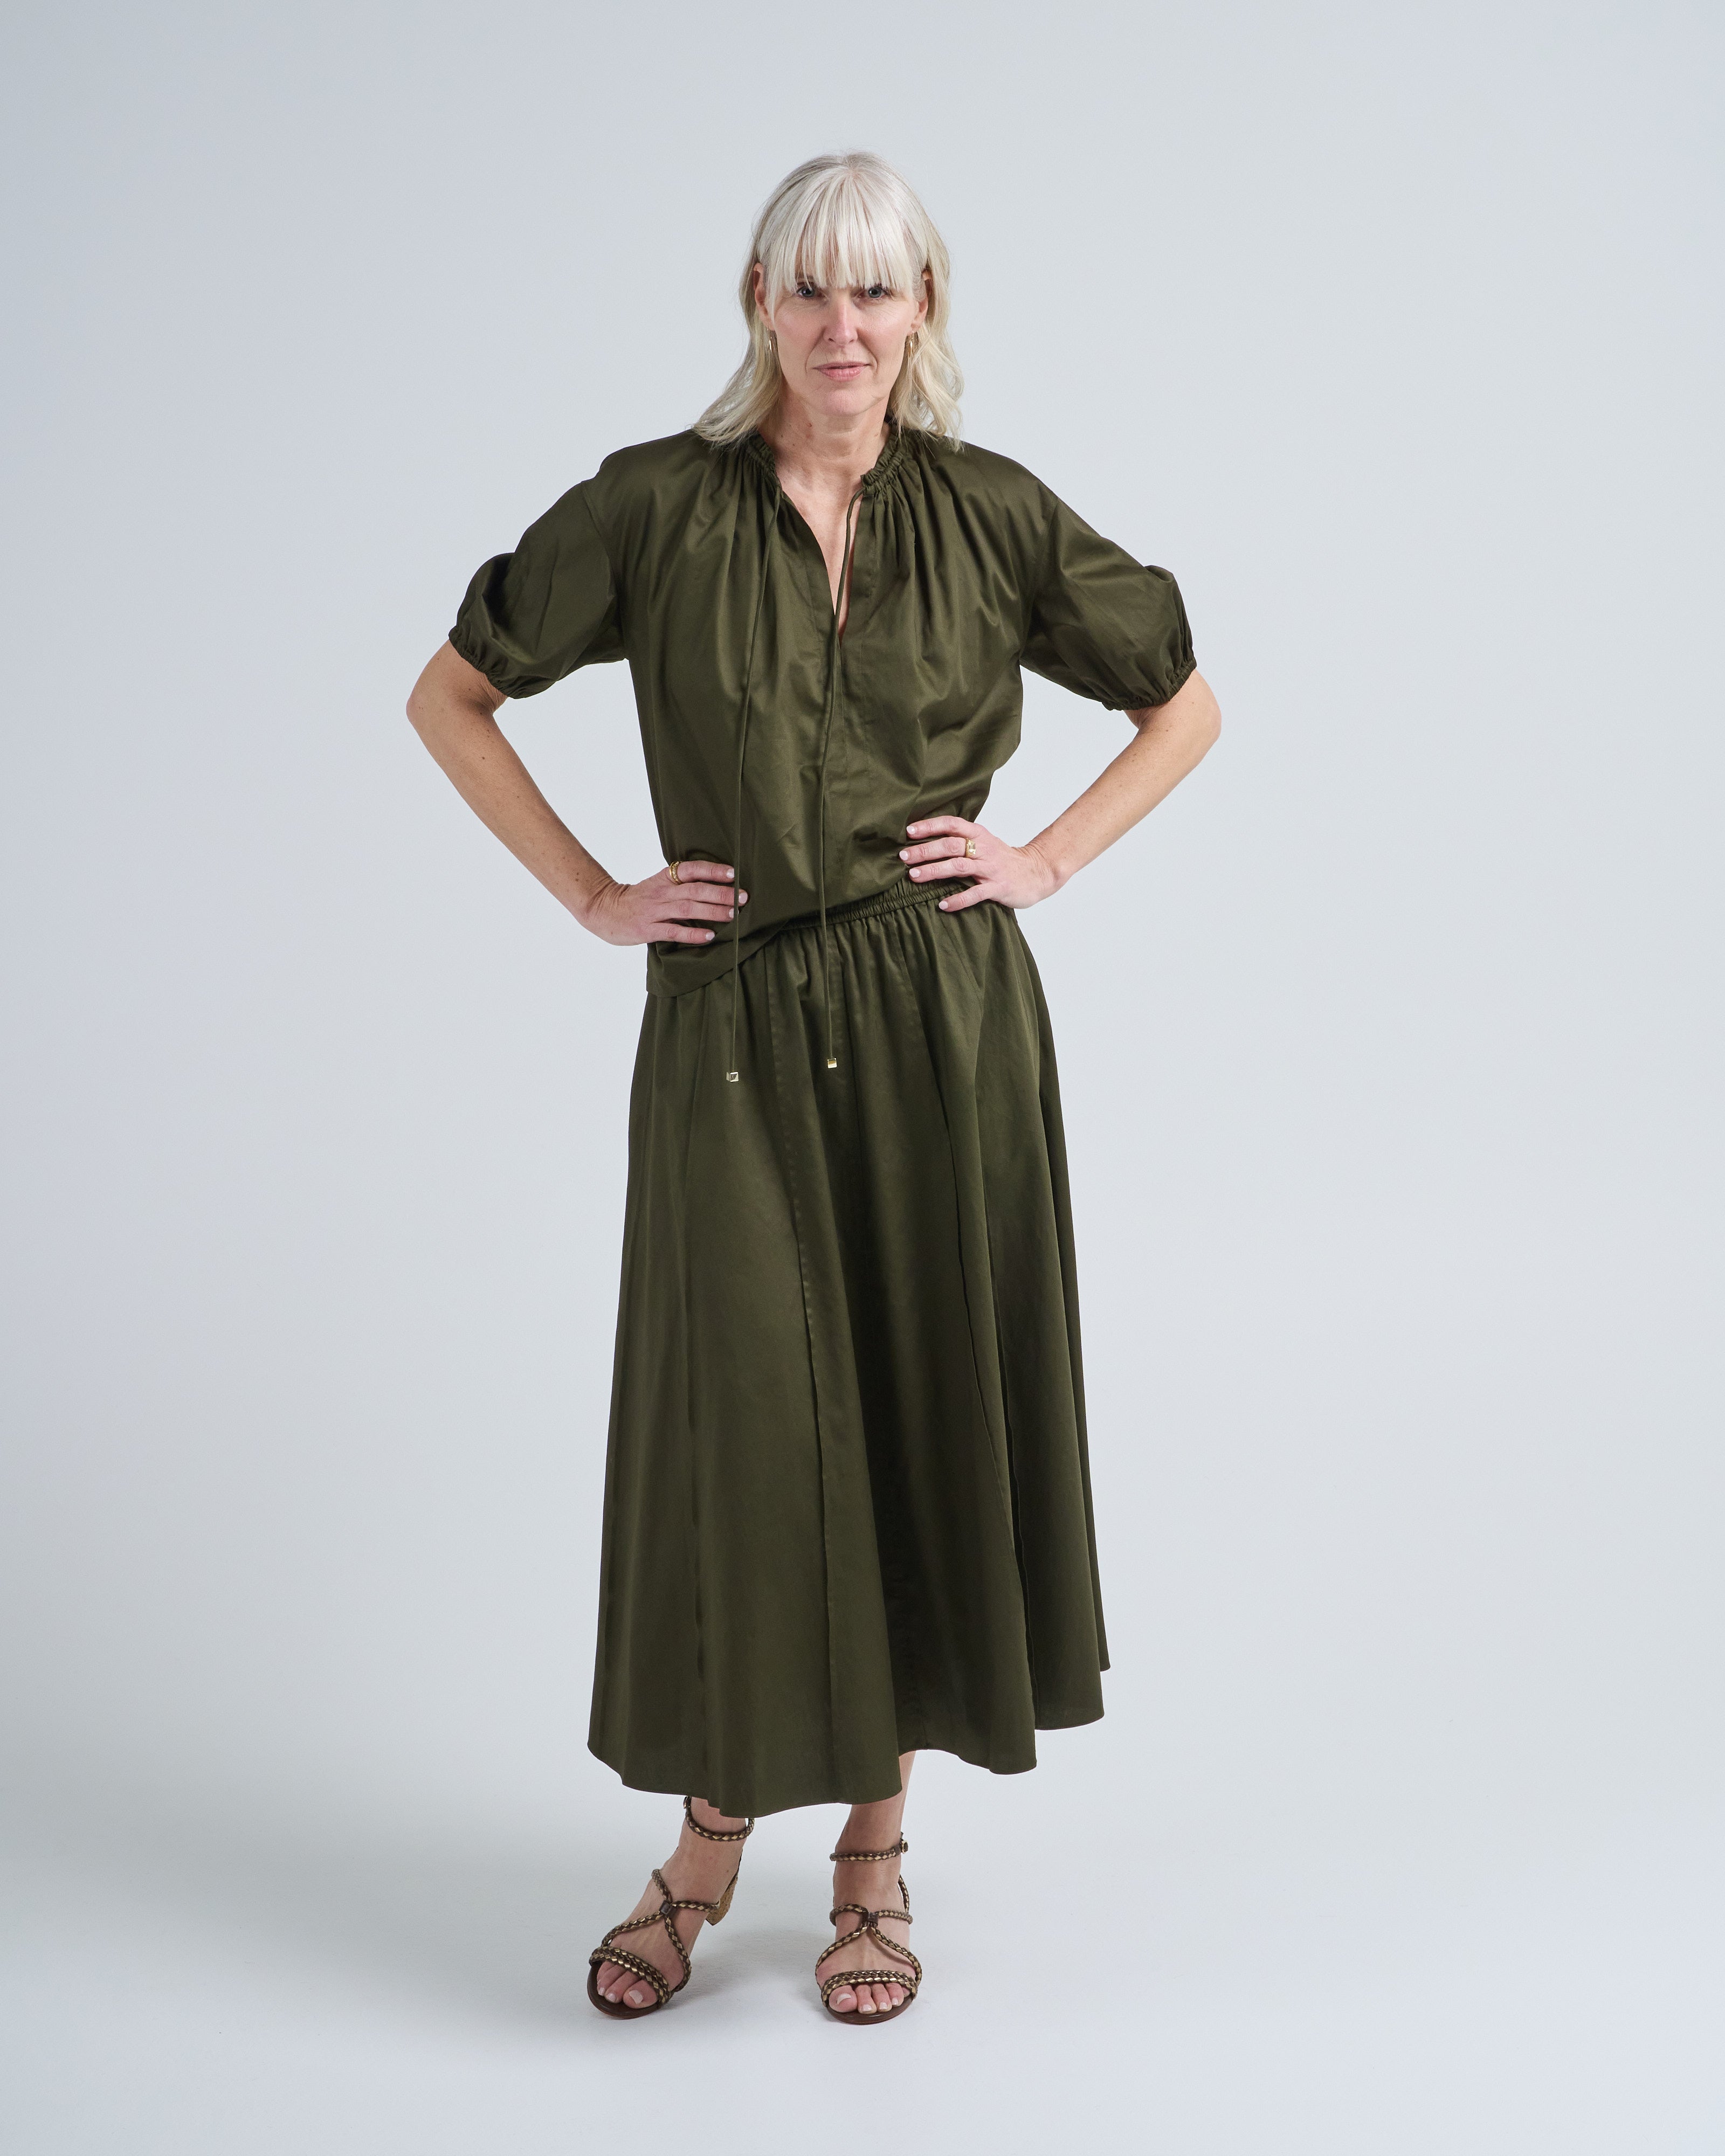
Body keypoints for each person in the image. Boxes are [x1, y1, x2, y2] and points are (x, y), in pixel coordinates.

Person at [406, 151, 1220, 2025]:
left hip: (944, 1027)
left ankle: (872, 1851)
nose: (843, 326)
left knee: (917, 1405)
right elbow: (452, 696)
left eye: (878, 288)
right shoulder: (653, 508)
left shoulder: (993, 516)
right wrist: (595, 895)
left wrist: (1048, 858)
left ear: (923, 308)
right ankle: (709, 1838)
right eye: (809, 286)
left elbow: (1181, 700)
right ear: (758, 302)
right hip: (735, 1029)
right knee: (751, 1433)